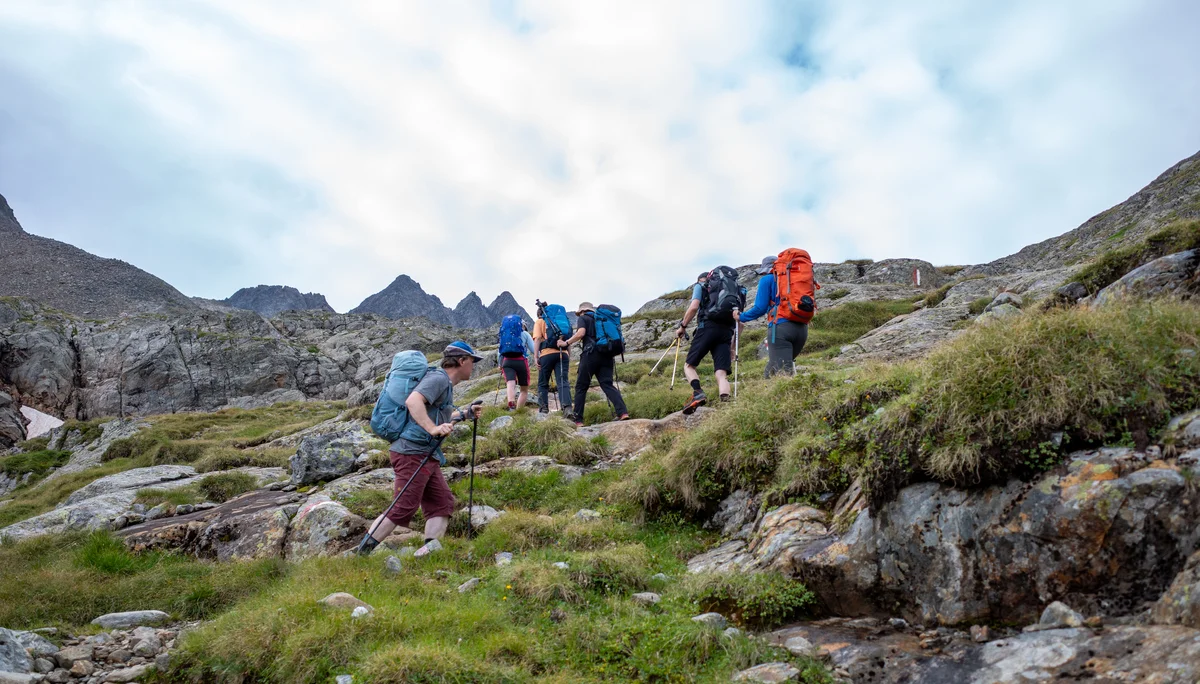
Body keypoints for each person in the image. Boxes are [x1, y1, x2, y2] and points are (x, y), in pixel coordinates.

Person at [358, 341, 485, 557]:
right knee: (403, 506)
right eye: (472, 361)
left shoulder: (442, 382)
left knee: (441, 504)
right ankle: (360, 555)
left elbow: (436, 416)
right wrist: (433, 428)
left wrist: (464, 414)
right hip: (412, 453)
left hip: (425, 454)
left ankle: (429, 554)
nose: (473, 366)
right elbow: (413, 401)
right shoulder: (438, 379)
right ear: (462, 361)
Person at [675, 270, 740, 414]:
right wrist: (733, 347)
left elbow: (694, 307)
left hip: (707, 328)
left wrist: (683, 327)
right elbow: (739, 322)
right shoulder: (735, 291)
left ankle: (698, 392)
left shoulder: (701, 286)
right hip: (726, 332)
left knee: (689, 366)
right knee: (721, 372)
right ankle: (726, 404)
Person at [559, 302, 629, 426]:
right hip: (606, 355)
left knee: (581, 387)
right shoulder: (602, 319)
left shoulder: (583, 318)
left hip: (590, 354)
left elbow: (581, 333)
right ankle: (623, 413)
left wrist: (566, 343)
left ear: (582, 311)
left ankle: (578, 420)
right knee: (607, 384)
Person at [740, 256, 808, 377]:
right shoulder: (794, 280)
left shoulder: (767, 279)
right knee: (772, 370)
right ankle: (763, 392)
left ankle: (791, 395)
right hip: (802, 328)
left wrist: (741, 317)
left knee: (783, 374)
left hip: (780, 328)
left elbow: (760, 308)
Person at [533, 310, 572, 416]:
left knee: (543, 383)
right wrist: (568, 356)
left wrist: (536, 356)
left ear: (539, 314)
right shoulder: (559, 321)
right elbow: (567, 341)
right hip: (562, 353)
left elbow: (537, 340)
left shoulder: (540, 321)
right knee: (563, 381)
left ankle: (544, 409)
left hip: (546, 354)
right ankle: (567, 409)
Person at [498, 322, 536, 410]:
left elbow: (499, 351)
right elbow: (533, 349)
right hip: (521, 361)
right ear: (523, 326)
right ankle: (519, 410)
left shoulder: (505, 335)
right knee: (524, 388)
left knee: (510, 383)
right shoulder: (525, 334)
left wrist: (500, 364)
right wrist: (539, 357)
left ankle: (511, 406)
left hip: (507, 361)